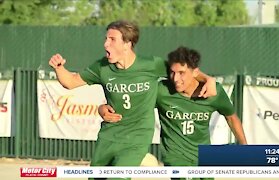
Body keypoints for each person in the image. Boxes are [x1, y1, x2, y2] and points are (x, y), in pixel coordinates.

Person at [49, 20, 216, 176]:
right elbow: (70, 82)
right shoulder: (102, 67)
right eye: (106, 39)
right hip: (109, 136)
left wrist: (208, 79)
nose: (106, 43)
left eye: (112, 39)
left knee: (118, 177)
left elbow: (183, 70)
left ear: (127, 44)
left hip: (137, 137)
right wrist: (59, 68)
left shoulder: (151, 64)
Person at [99, 46, 247, 180]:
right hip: (175, 157)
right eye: (172, 72)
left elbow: (231, 118)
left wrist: (244, 147)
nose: (176, 79)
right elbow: (132, 104)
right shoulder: (161, 91)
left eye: (182, 73)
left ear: (196, 72)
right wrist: (102, 108)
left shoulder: (213, 92)